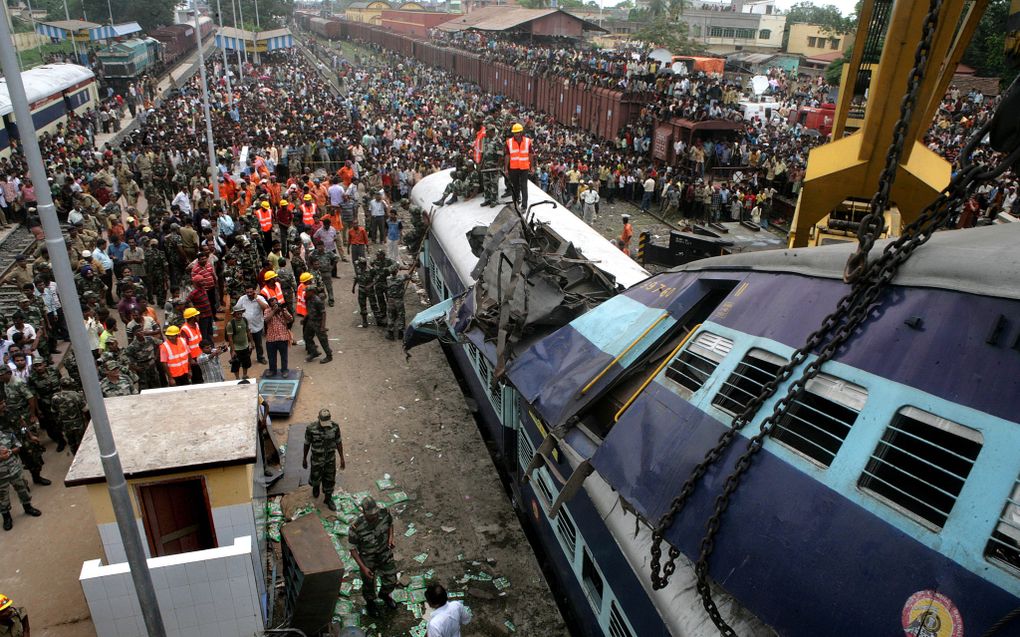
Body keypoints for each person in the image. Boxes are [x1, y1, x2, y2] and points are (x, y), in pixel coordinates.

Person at [348, 496, 397, 617]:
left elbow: (390, 525)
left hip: (384, 552)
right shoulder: (356, 527)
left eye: (375, 514)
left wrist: (391, 538)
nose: (374, 517)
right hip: (367, 559)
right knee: (368, 584)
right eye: (370, 515)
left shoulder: (384, 512)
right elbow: (352, 549)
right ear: (363, 512)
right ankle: (370, 603)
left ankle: (385, 595)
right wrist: (363, 567)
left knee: (391, 580)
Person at [0, 424, 42, 531]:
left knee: (22, 488)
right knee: (2, 496)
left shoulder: (7, 433)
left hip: (14, 469)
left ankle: (28, 507)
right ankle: (6, 517)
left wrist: (9, 452)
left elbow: (18, 447)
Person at [301, 408, 344, 510]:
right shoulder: (311, 428)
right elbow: (307, 444)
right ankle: (316, 487)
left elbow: (339, 442)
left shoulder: (335, 427)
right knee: (315, 476)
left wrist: (342, 458)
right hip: (317, 459)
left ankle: (328, 498)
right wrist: (304, 458)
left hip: (330, 459)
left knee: (330, 478)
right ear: (318, 418)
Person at [52, 377, 88, 454]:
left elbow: (54, 411)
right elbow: (85, 409)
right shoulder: (77, 395)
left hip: (65, 425)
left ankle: (75, 455)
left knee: (72, 443)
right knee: (82, 442)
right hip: (78, 424)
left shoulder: (55, 397)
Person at [234, 287, 269, 365]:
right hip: (245, 327)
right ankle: (244, 359)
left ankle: (260, 357)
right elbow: (236, 309)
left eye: (251, 292)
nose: (249, 294)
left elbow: (266, 308)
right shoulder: (242, 299)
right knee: (244, 344)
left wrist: (257, 299)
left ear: (254, 291)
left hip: (257, 325)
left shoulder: (260, 298)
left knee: (258, 344)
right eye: (247, 292)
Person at [504, 123, 533, 211]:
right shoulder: (509, 142)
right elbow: (507, 156)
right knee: (515, 186)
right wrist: (506, 168)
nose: (516, 134)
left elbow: (530, 154)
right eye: (515, 133)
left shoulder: (528, 141)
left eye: (518, 132)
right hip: (513, 168)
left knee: (524, 186)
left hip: (524, 167)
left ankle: (524, 206)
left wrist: (532, 167)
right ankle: (516, 202)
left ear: (521, 132)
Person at [263, 298, 292, 379]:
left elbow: (290, 319)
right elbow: (266, 320)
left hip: (282, 337)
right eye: (273, 304)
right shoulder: (267, 311)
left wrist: (283, 311)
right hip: (271, 338)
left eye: (276, 303)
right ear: (270, 305)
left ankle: (284, 370)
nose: (276, 305)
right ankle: (272, 370)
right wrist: (273, 311)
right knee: (271, 356)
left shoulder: (283, 310)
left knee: (284, 356)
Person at [302, 286, 332, 364]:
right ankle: (314, 352)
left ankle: (329, 356)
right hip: (310, 321)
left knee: (323, 340)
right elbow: (310, 310)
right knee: (306, 337)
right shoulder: (308, 299)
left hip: (318, 323)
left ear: (312, 292)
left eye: (307, 291)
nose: (305, 293)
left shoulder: (317, 301)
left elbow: (323, 313)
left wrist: (323, 326)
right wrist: (305, 318)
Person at [225, 308, 253, 381]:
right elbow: (230, 338)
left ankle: (244, 375)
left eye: (241, 313)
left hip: (245, 346)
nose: (240, 315)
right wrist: (233, 350)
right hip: (236, 348)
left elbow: (248, 332)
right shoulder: (230, 324)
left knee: (246, 362)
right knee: (235, 364)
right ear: (234, 314)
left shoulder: (245, 320)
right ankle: (237, 378)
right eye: (238, 314)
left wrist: (252, 343)